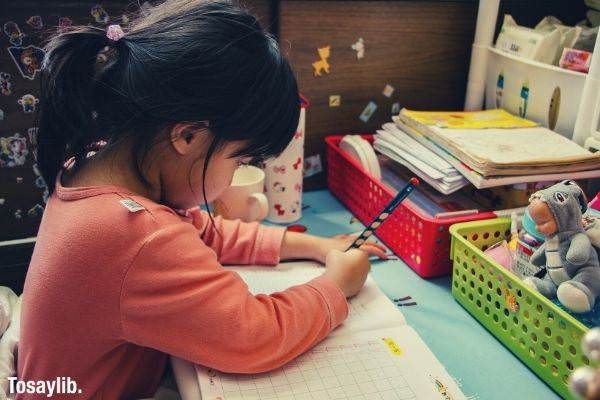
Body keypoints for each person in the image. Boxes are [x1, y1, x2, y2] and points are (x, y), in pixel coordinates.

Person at [17, 1, 387, 398]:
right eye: (240, 159)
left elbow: (200, 232)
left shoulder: (96, 164)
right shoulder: (135, 233)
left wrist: (312, 245)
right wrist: (335, 287)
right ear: (188, 137)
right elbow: (253, 335)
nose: (235, 175)